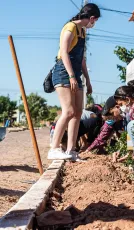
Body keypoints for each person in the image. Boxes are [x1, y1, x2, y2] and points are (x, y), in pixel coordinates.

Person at [48, 4, 101, 161]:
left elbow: (82, 59)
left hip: (76, 73)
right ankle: (54, 148)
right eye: (95, 20)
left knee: (78, 112)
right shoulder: (70, 27)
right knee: (69, 111)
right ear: (91, 18)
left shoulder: (83, 31)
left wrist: (88, 80)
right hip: (63, 72)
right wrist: (71, 76)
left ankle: (71, 151)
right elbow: (64, 52)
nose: (94, 23)